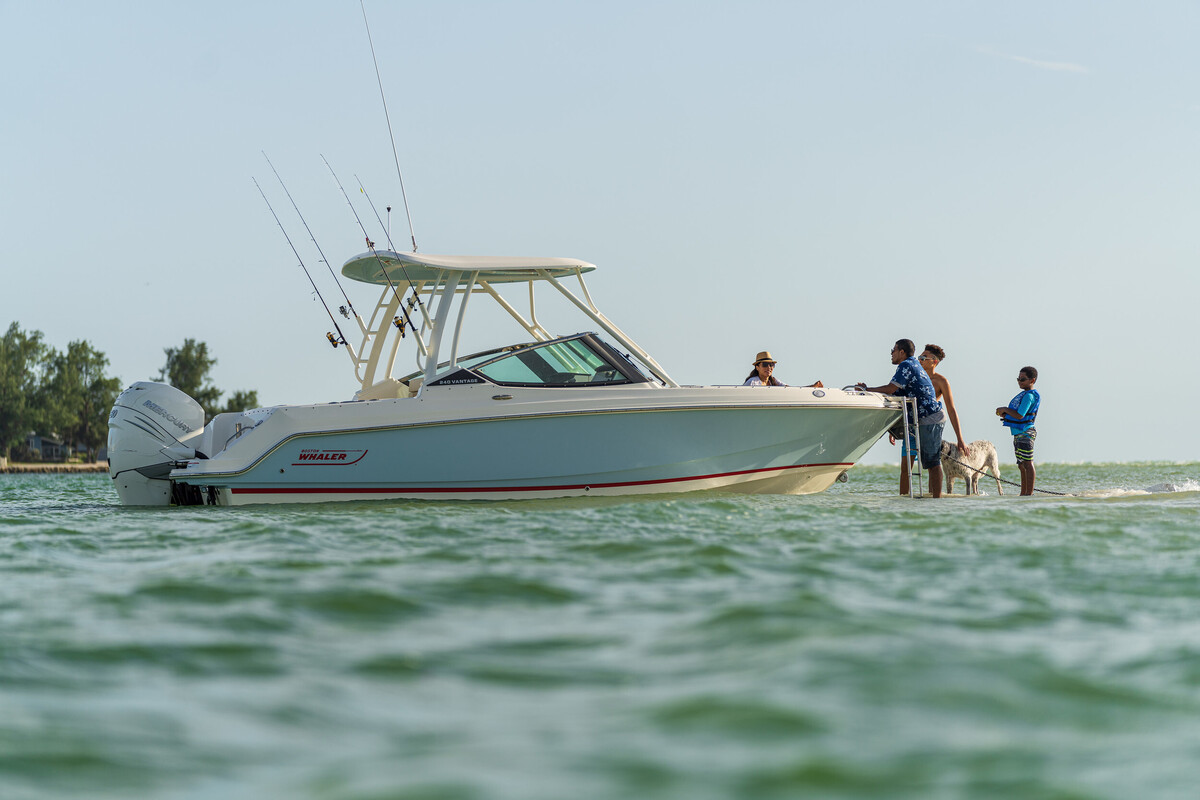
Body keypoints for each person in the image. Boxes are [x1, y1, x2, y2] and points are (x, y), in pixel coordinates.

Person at [855, 338, 946, 497]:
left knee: (932, 463)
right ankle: (904, 500)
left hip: (930, 417)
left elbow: (890, 389)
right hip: (915, 422)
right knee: (906, 467)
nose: (891, 353)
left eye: (893, 350)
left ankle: (936, 502)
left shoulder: (907, 365)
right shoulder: (912, 365)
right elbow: (896, 394)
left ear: (902, 352)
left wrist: (866, 389)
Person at [917, 344, 970, 460]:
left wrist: (960, 439)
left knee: (932, 462)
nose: (920, 360)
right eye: (919, 357)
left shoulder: (941, 381)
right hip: (914, 423)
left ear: (934, 361)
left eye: (924, 358)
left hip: (931, 424)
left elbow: (951, 410)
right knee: (907, 462)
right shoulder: (915, 378)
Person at [996, 366, 1039, 496]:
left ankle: (1028, 493)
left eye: (1023, 379)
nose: (1020, 382)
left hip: (1026, 432)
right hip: (1018, 434)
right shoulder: (1024, 394)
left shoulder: (1029, 396)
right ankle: (1023, 492)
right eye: (1018, 379)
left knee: (1027, 463)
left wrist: (1005, 408)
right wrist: (1005, 415)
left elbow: (1020, 415)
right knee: (1021, 465)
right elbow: (1017, 415)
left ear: (1032, 380)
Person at [743, 351, 823, 388]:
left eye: (771, 365)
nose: (769, 368)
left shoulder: (773, 381)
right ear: (757, 367)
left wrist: (812, 386)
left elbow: (791, 390)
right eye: (765, 364)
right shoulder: (752, 382)